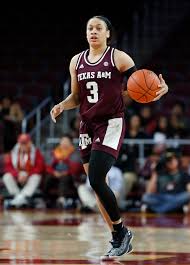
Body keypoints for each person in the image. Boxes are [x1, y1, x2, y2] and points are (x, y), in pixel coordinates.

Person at [50, 15, 169, 258]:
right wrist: (62, 105)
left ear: (107, 33)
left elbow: (139, 85)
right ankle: (117, 236)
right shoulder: (77, 61)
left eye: (98, 28)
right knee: (95, 185)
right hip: (86, 124)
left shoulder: (119, 57)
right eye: (89, 28)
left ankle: (121, 233)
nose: (93, 31)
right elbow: (77, 97)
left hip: (111, 123)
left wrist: (156, 91)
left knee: (95, 178)